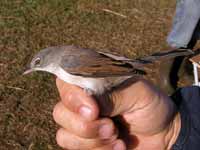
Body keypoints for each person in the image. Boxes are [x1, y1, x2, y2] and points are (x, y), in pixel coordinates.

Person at [53, 0, 200, 149]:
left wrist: (173, 131)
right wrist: (172, 130)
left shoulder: (68, 63)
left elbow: (104, 68)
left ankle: (178, 55)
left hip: (112, 74)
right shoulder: (66, 63)